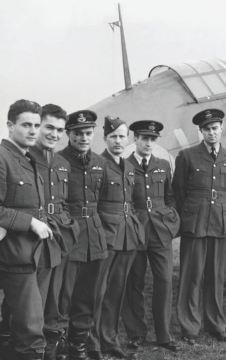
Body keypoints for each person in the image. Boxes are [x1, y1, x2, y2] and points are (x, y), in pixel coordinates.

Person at [172, 109, 226, 345]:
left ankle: (216, 325)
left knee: (216, 277)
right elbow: (178, 191)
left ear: (222, 129)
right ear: (200, 131)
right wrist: (189, 214)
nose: (212, 132)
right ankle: (190, 327)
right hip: (195, 224)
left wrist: (220, 211)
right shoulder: (187, 156)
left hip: (220, 224)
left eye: (215, 128)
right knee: (192, 277)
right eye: (207, 129)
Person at [86, 116, 143, 359]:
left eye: (122, 136)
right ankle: (92, 343)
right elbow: (92, 204)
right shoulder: (96, 164)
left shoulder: (130, 167)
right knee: (96, 292)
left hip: (127, 235)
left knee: (116, 291)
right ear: (105, 138)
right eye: (113, 137)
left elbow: (131, 201)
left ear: (128, 138)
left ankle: (110, 340)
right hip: (105, 235)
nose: (118, 141)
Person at [0, 99, 53, 359]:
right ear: (10, 126)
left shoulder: (27, 157)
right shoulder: (2, 157)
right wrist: (29, 222)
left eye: (36, 125)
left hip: (34, 254)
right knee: (31, 332)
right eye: (26, 125)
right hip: (14, 254)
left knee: (25, 327)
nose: (33, 130)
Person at [122, 120, 181, 353]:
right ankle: (136, 332)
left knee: (165, 281)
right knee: (133, 283)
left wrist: (172, 218)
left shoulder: (163, 165)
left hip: (160, 231)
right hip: (135, 230)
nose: (149, 143)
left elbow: (170, 196)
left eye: (153, 139)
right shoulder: (124, 165)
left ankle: (164, 334)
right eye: (144, 138)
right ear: (135, 139)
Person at [57, 110, 109, 359]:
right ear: (69, 134)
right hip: (70, 238)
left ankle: (78, 345)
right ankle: (59, 344)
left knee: (88, 296)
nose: (84, 138)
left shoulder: (100, 162)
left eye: (88, 133)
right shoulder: (58, 161)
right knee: (63, 296)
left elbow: (107, 201)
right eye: (78, 133)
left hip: (96, 239)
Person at [29, 104, 80, 359]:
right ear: (39, 126)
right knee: (32, 298)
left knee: (56, 297)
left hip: (59, 237)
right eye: (49, 127)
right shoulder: (25, 157)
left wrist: (70, 225)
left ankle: (50, 348)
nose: (54, 134)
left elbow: (65, 201)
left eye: (60, 130)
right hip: (34, 237)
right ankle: (28, 348)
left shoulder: (62, 162)